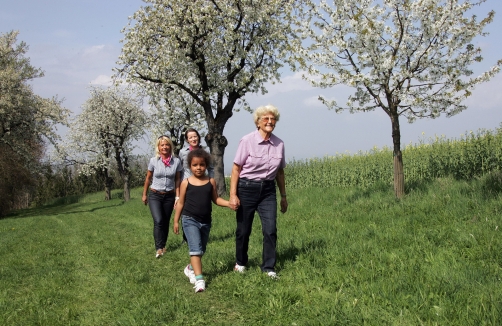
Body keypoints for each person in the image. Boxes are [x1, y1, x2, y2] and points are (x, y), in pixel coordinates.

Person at [229, 104, 288, 280]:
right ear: (258, 122)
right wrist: (233, 195)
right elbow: (236, 169)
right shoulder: (247, 141)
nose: (270, 122)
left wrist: (283, 196)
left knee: (270, 230)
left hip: (268, 191)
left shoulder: (279, 144)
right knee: (243, 230)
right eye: (266, 119)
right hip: (246, 188)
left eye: (273, 119)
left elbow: (280, 172)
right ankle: (240, 263)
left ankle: (268, 267)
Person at [173, 148, 231, 293]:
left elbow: (216, 199)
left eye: (201, 165)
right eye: (195, 165)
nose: (198, 168)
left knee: (201, 249)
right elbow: (180, 203)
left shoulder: (211, 181)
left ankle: (190, 268)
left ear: (206, 165)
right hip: (189, 219)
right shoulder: (186, 183)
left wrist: (229, 203)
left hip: (206, 221)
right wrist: (176, 221)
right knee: (195, 250)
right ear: (190, 166)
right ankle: (200, 280)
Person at [142, 135, 182, 258]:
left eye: (167, 144)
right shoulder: (154, 161)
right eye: (162, 145)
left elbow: (177, 180)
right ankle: (158, 248)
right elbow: (148, 178)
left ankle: (163, 245)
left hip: (169, 196)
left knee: (165, 222)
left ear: (170, 146)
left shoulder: (176, 161)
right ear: (158, 147)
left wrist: (177, 197)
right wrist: (144, 194)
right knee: (158, 220)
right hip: (155, 195)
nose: (164, 147)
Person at [178, 128, 214, 244]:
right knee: (187, 209)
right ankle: (187, 237)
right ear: (187, 140)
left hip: (201, 184)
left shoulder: (205, 151)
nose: (193, 139)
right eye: (190, 137)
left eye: (195, 136)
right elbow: (180, 169)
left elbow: (211, 168)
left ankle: (198, 233)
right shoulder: (183, 152)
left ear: (198, 137)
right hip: (187, 184)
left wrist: (211, 180)